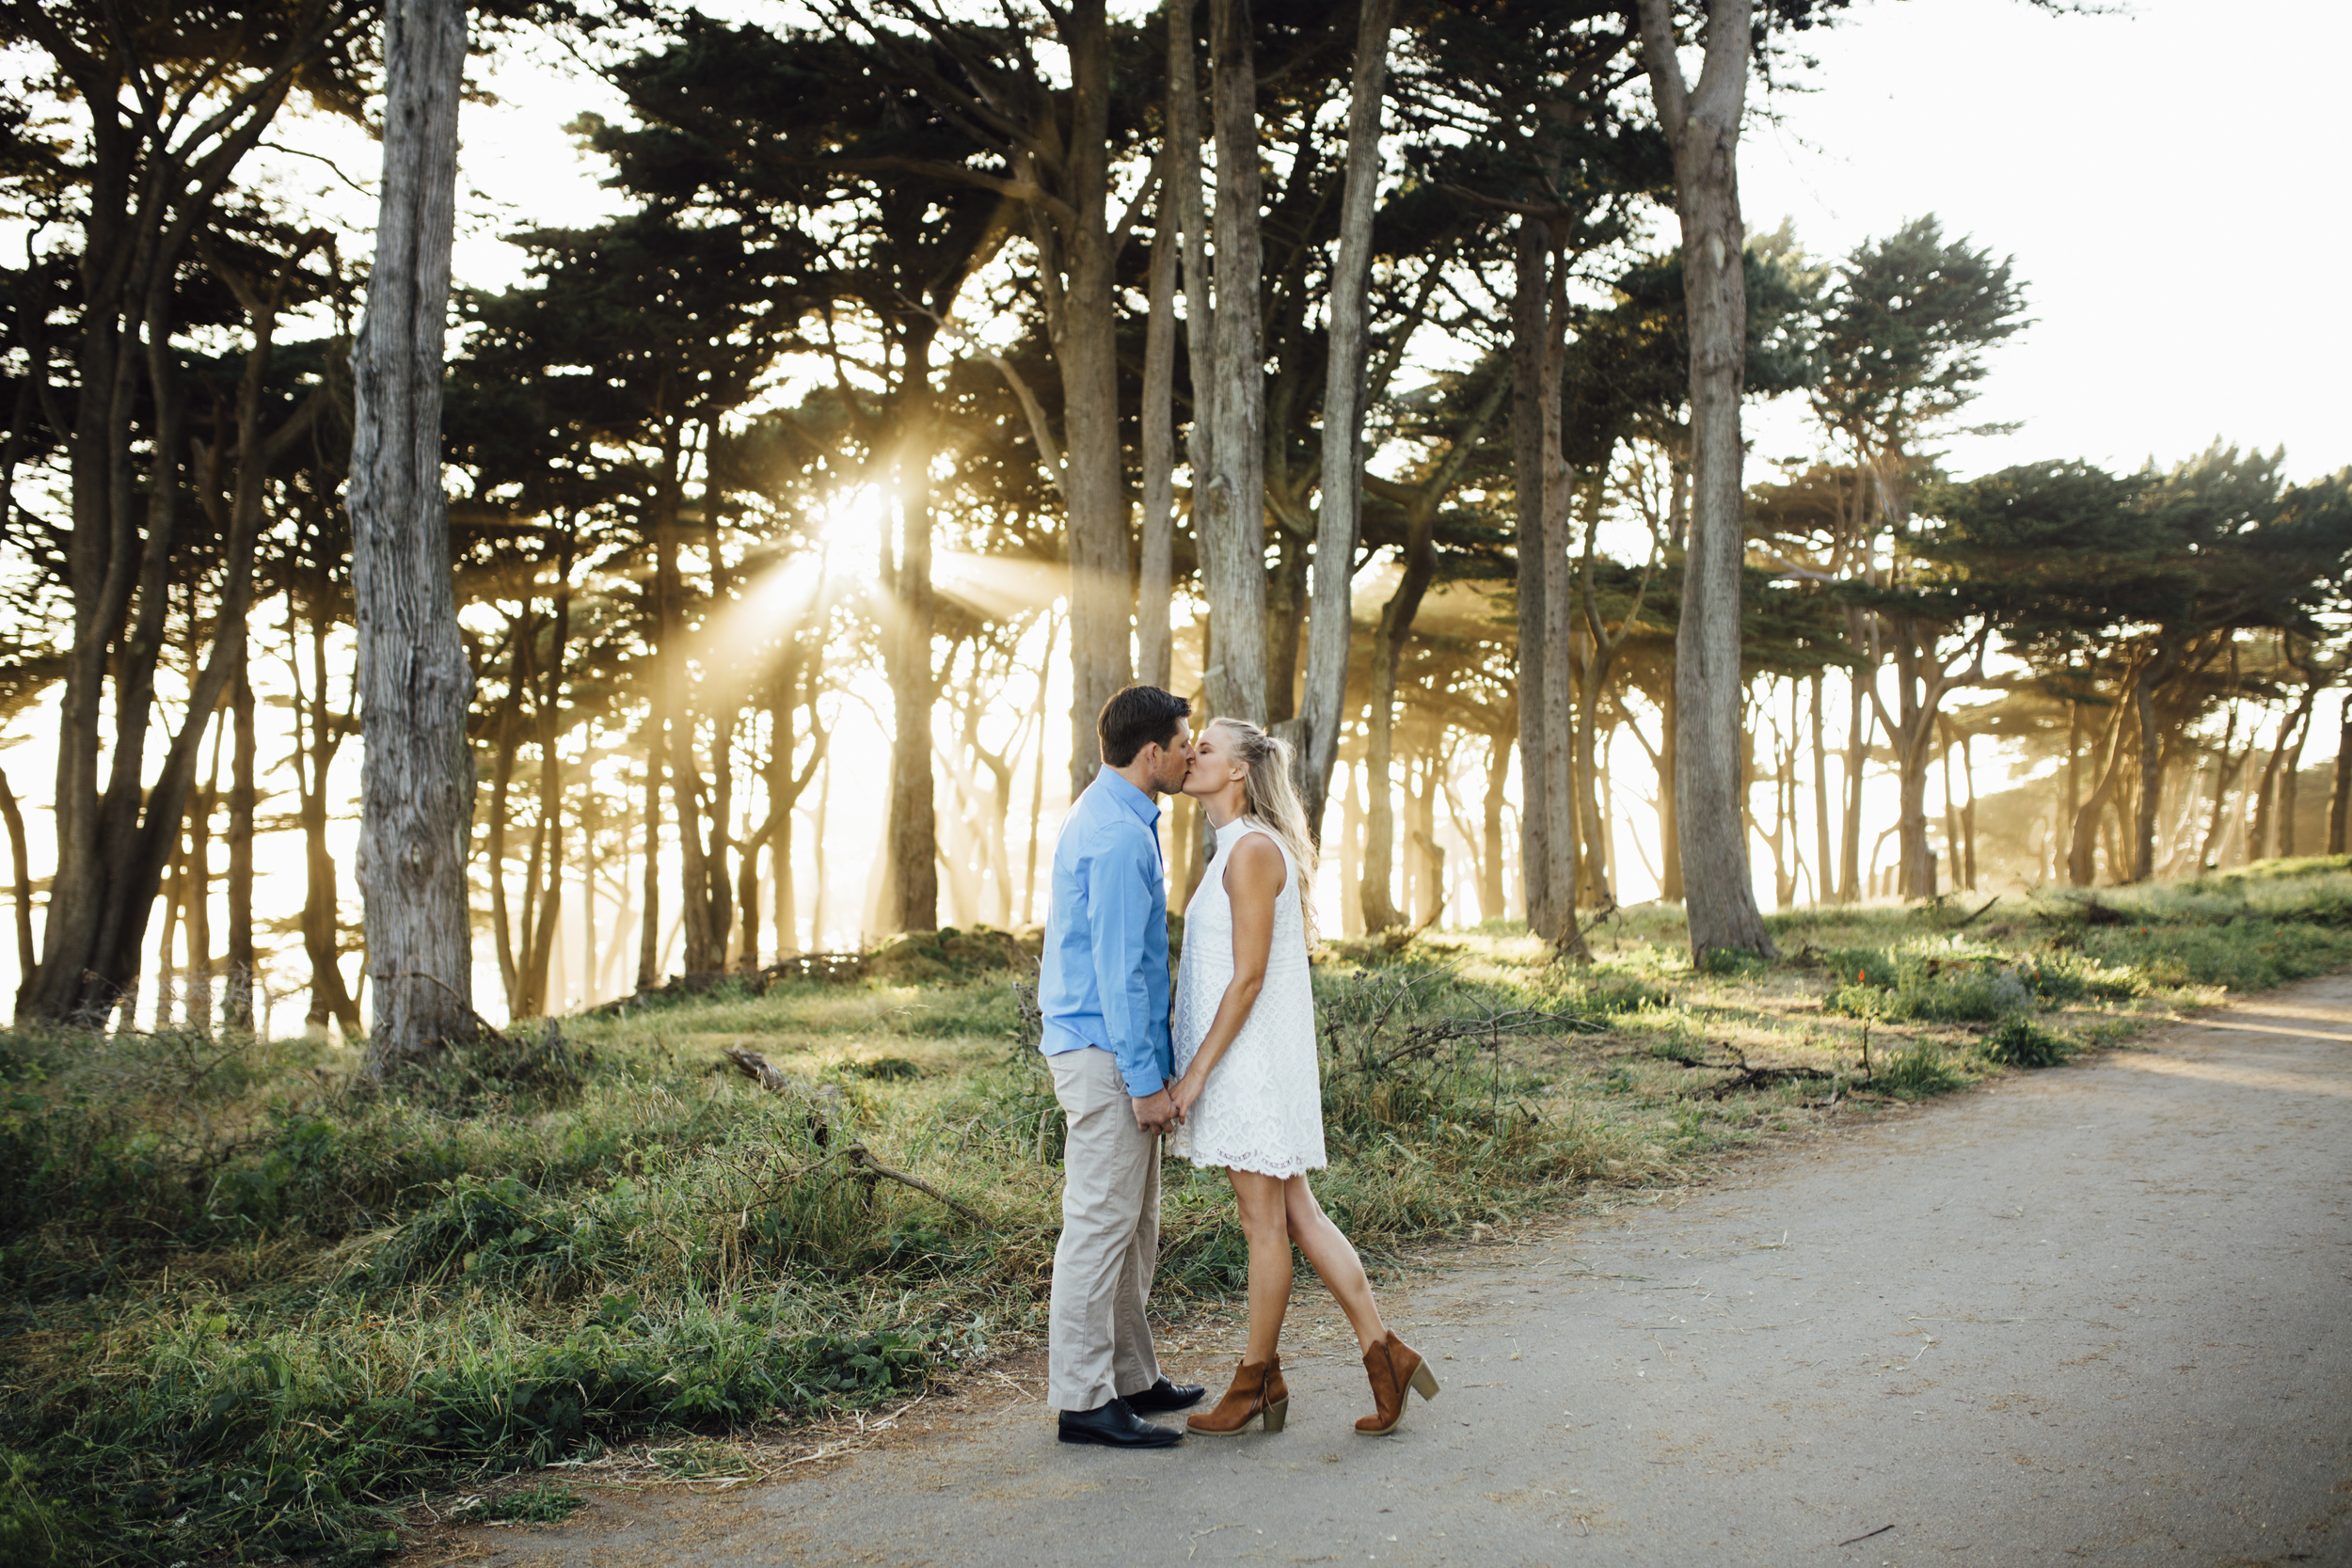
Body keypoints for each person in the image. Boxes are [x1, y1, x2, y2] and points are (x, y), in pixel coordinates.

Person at [1168, 718, 1439, 1437]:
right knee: (1297, 1216)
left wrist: (1193, 1077)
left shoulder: (1252, 849)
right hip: (1250, 1063)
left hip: (1249, 1068)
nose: (1191, 753)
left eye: (1206, 747)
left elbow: (1249, 977)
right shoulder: (1234, 845)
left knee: (1267, 1226)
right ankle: (1386, 1354)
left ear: (1238, 773)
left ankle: (1256, 1379)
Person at [1038, 685, 1208, 1448]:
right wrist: (1145, 1081)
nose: (1189, 753)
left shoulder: (1122, 815)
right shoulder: (1113, 835)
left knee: (1134, 1226)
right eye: (1182, 743)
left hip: (1114, 1050)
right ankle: (1082, 1400)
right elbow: (1118, 974)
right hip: (1105, 1054)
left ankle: (1132, 1376)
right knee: (1100, 1225)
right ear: (1151, 754)